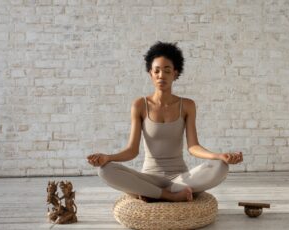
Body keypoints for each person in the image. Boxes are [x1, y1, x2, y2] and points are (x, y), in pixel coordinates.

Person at [87, 41, 243, 202]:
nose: (161, 75)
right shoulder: (140, 105)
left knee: (221, 167)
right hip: (148, 177)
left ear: (175, 74)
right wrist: (108, 158)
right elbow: (132, 151)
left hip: (181, 178)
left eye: (167, 71)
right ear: (150, 74)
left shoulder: (187, 105)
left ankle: (154, 193)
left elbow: (193, 146)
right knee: (105, 170)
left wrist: (219, 156)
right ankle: (169, 195)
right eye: (157, 71)